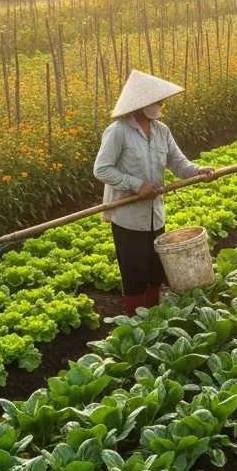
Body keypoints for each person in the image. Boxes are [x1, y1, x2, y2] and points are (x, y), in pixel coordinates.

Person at [94, 69, 215, 316]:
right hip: (128, 218)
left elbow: (178, 163)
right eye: (156, 101)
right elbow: (102, 169)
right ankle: (136, 325)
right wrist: (136, 184)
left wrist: (198, 171)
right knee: (134, 275)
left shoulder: (162, 131)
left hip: (154, 215)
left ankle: (154, 323)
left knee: (154, 272)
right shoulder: (118, 131)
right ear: (139, 105)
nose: (161, 105)